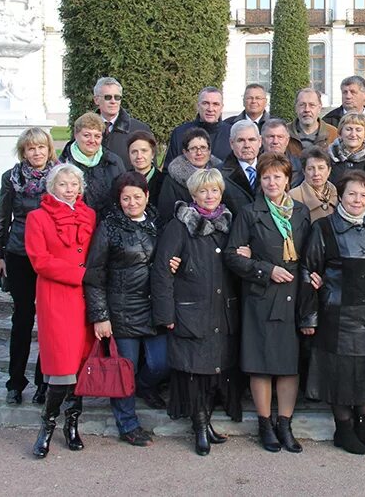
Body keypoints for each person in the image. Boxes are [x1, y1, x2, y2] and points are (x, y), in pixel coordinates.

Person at [299, 170, 365, 455]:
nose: (358, 200)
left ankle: (364, 427)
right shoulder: (324, 228)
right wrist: (309, 317)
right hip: (337, 313)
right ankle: (343, 430)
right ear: (340, 196)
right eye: (352, 194)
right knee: (340, 374)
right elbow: (309, 269)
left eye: (364, 195)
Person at [225, 153, 312, 453]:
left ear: (288, 179)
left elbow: (309, 253)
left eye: (277, 176)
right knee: (261, 365)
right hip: (261, 296)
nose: (272, 182)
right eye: (266, 177)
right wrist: (264, 269)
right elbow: (232, 255)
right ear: (260, 181)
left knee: (288, 365)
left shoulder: (300, 212)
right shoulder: (250, 213)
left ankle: (284, 424)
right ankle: (265, 425)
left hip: (293, 296)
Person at [152, 168, 243, 456]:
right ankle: (199, 425)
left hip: (221, 310)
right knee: (195, 372)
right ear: (193, 195)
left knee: (213, 371)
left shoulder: (229, 224)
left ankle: (208, 421)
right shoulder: (180, 226)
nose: (210, 196)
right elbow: (162, 271)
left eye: (214, 190)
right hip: (191, 311)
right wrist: (165, 315)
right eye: (203, 191)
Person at [83, 172, 168, 447]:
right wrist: (100, 316)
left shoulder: (159, 223)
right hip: (122, 309)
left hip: (154, 306)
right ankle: (127, 423)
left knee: (160, 363)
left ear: (147, 196)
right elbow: (95, 274)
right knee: (124, 370)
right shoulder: (109, 227)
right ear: (119, 199)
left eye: (137, 197)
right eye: (126, 198)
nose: (132, 203)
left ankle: (144, 387)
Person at [24, 164, 97, 459]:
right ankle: (47, 425)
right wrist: (80, 274)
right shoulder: (37, 218)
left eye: (74, 184)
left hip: (85, 300)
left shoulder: (89, 215)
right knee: (62, 367)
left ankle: (72, 424)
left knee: (79, 365)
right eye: (63, 184)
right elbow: (39, 260)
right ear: (52, 186)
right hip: (56, 297)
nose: (69, 189)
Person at [0, 127, 56, 406]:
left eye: (41, 147)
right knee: (22, 318)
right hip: (19, 252)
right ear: (24, 152)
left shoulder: (59, 176)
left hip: (50, 254)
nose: (37, 153)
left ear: (49, 149)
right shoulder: (12, 178)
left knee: (48, 320)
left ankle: (44, 381)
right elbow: (2, 218)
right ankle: (15, 382)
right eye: (31, 148)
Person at [60, 112, 126, 214]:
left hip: (108, 224)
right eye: (87, 135)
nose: (92, 140)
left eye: (97, 136)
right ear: (76, 135)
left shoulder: (114, 162)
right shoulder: (63, 164)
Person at [157, 128, 221, 228]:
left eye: (203, 147)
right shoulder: (172, 181)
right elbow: (166, 214)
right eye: (193, 148)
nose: (199, 153)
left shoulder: (221, 175)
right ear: (185, 152)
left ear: (209, 151)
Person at [93, 76, 150, 172]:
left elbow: (149, 170)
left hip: (127, 185)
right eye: (108, 97)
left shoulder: (139, 129)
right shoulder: (84, 129)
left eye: (117, 97)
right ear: (96, 100)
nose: (113, 101)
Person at [163, 87, 226, 171]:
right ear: (197, 106)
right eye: (205, 103)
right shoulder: (179, 133)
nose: (210, 109)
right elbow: (168, 170)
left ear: (221, 108)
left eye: (215, 104)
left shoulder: (231, 134)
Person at [213, 84, 269, 161]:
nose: (254, 101)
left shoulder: (275, 125)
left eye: (258, 98)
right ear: (243, 101)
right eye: (249, 98)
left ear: (265, 102)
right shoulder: (229, 124)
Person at [220, 119, 262, 216]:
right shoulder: (219, 174)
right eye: (240, 140)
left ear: (260, 141)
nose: (247, 145)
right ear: (231, 143)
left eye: (252, 140)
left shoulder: (271, 169)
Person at [290, 147, 338, 222]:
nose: (316, 173)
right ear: (304, 171)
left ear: (329, 170)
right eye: (310, 168)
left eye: (321, 168)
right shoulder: (293, 196)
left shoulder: (339, 194)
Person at [287, 88, 339, 156]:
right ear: (296, 108)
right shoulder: (284, 132)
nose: (307, 110)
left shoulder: (333, 134)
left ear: (319, 108)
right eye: (302, 105)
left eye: (312, 105)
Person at [328, 112, 365, 183]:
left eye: (358, 130)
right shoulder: (328, 156)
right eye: (348, 129)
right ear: (340, 133)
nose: (353, 134)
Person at [261, 118, 303, 187]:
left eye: (280, 137)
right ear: (262, 140)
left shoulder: (299, 166)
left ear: (287, 140)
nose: (275, 141)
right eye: (271, 137)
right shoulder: (253, 166)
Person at [126, 130, 164, 203]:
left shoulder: (164, 182)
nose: (139, 156)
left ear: (152, 154)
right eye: (134, 152)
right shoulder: (122, 181)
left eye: (144, 151)